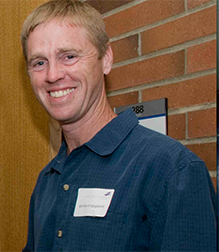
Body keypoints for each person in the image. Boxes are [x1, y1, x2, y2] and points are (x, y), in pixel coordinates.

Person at [21, 0, 217, 251]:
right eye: (39, 62)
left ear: (106, 59)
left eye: (69, 56)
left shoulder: (171, 169)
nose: (52, 75)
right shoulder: (47, 181)